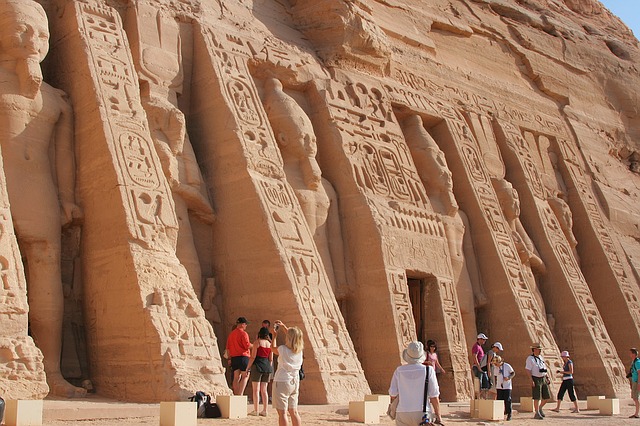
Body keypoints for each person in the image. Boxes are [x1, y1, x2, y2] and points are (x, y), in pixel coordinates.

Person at [0, 0, 85, 398]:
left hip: (41, 195)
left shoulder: (57, 98)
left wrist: (67, 198)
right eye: (22, 29)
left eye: (43, 34)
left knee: (46, 277)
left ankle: (51, 370)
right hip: (5, 186)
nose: (34, 40)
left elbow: (63, 154)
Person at [389, 341, 444, 426]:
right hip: (423, 412)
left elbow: (393, 394)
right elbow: (434, 396)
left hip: (403, 411)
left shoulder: (399, 371)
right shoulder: (428, 370)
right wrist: (438, 416)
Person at [271, 320, 304, 426]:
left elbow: (272, 348)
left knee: (282, 413)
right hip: (294, 381)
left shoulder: (283, 349)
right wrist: (284, 326)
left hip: (282, 381)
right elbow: (294, 336)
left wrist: (274, 336)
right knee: (293, 411)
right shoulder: (299, 351)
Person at [245, 327, 273, 416]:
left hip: (257, 366)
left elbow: (253, 357)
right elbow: (271, 359)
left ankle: (256, 410)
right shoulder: (270, 344)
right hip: (267, 367)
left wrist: (248, 367)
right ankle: (265, 410)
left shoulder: (257, 342)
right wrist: (269, 368)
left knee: (256, 390)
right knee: (264, 390)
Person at [226, 317, 252, 395]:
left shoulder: (231, 334)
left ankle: (236, 394)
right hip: (243, 357)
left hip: (234, 358)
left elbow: (228, 348)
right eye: (245, 324)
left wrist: (229, 358)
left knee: (236, 377)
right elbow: (247, 345)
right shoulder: (243, 333)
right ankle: (240, 394)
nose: (246, 326)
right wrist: (254, 345)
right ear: (242, 324)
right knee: (245, 376)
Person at [525, 343, 551, 420]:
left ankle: (539, 408)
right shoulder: (530, 359)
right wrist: (531, 379)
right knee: (537, 397)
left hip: (543, 378)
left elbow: (544, 368)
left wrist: (547, 377)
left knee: (546, 397)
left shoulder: (541, 357)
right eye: (539, 350)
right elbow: (528, 369)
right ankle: (536, 413)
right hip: (536, 378)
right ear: (534, 350)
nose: (540, 351)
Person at [491, 355, 515, 421]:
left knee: (507, 400)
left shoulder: (507, 366)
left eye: (496, 363)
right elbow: (496, 376)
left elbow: (513, 373)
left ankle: (509, 414)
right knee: (500, 400)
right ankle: (500, 414)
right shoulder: (496, 368)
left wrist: (508, 378)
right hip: (499, 386)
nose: (495, 365)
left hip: (507, 386)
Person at [471, 333, 488, 398]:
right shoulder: (476, 346)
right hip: (478, 367)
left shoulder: (479, 346)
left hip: (481, 367)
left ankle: (481, 398)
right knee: (479, 384)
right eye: (483, 339)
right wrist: (478, 367)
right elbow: (474, 356)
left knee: (484, 383)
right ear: (479, 339)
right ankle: (478, 398)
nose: (484, 341)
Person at [630, 348, 640, 418]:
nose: (629, 354)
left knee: (636, 398)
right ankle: (636, 413)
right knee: (634, 398)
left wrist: (639, 383)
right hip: (634, 381)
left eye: (630, 353)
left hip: (637, 382)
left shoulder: (637, 362)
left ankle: (636, 414)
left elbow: (639, 373)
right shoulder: (633, 362)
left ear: (634, 354)